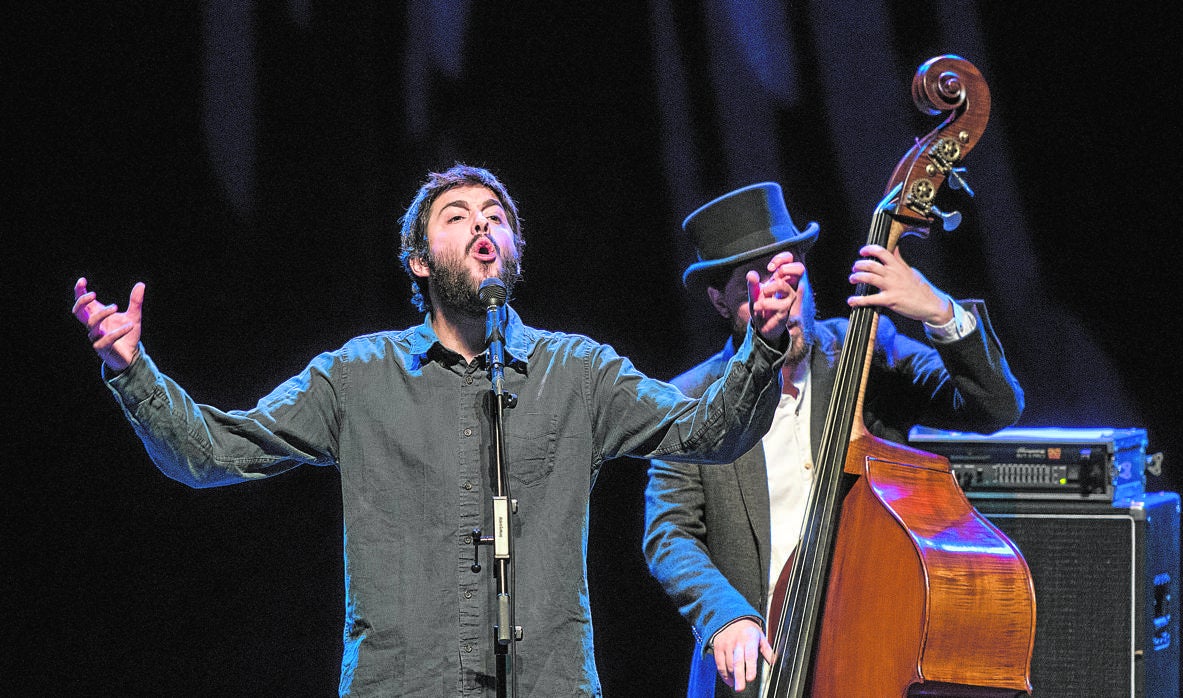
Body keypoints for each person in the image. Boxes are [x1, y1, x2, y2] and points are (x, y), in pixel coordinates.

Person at [71, 164, 807, 697]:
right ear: (420, 262)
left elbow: (708, 434)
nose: (482, 222)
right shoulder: (356, 376)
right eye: (457, 215)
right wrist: (134, 369)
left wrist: (763, 344)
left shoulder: (579, 371)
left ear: (515, 252)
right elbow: (213, 452)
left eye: (496, 215)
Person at [643, 182, 1025, 697]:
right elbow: (669, 535)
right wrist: (726, 615)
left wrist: (939, 311)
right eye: (755, 287)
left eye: (790, 278)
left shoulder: (866, 352)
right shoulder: (688, 400)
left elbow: (995, 407)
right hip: (753, 673)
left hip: (871, 654)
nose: (782, 301)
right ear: (719, 300)